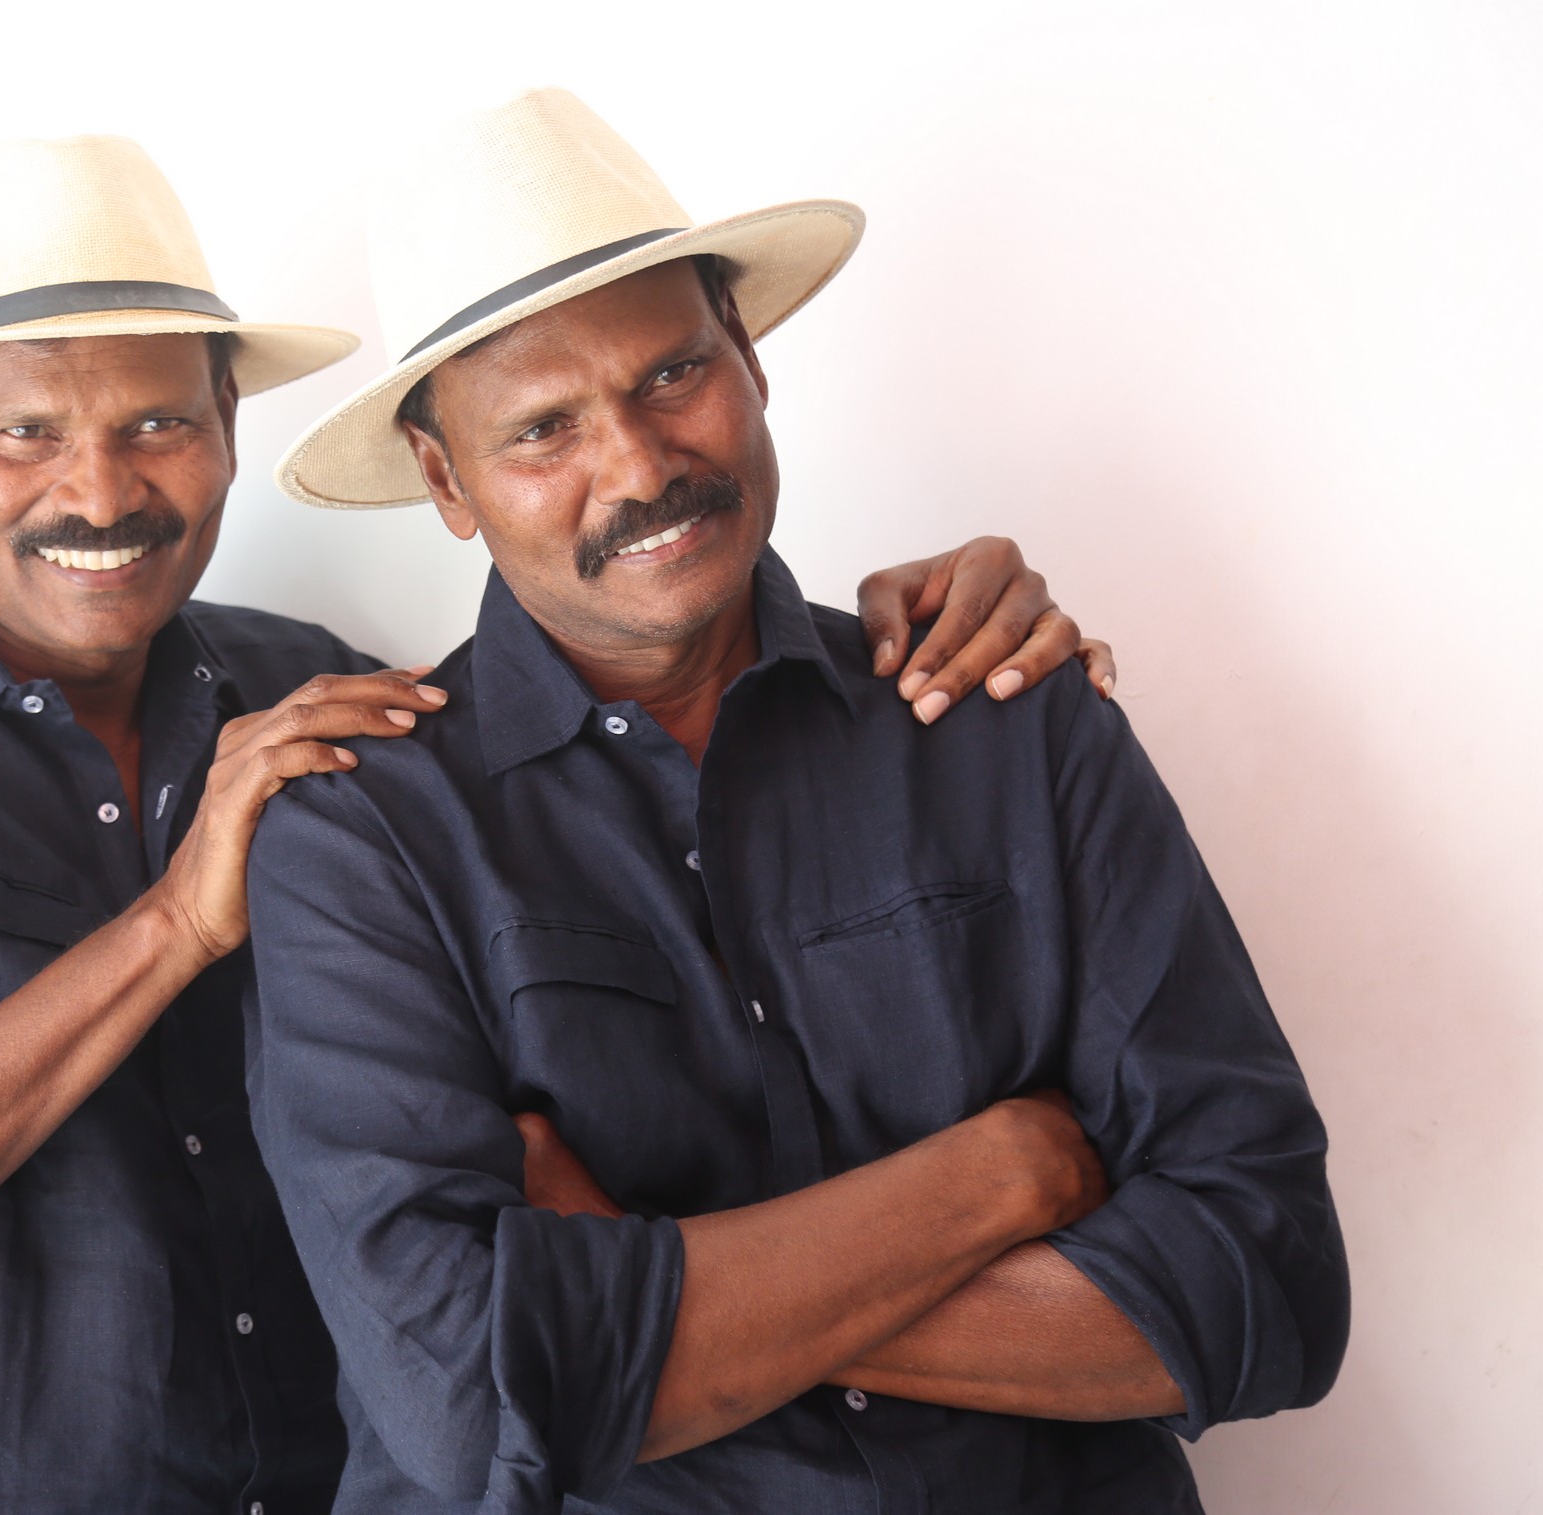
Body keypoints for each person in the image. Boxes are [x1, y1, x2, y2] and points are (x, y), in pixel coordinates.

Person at [0, 131, 1116, 1514]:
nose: (101, 490)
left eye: (156, 424)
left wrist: (944, 634)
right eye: (24, 436)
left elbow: (645, 660)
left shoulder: (310, 705)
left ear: (230, 430)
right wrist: (176, 927)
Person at [244, 89, 1347, 1515]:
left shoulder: (1009, 721)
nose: (639, 468)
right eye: (542, 433)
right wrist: (1000, 1180)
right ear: (447, 483)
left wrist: (654, 1281)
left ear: (749, 361)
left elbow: (1270, 1282)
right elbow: (470, 1393)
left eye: (671, 375)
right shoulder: (361, 837)